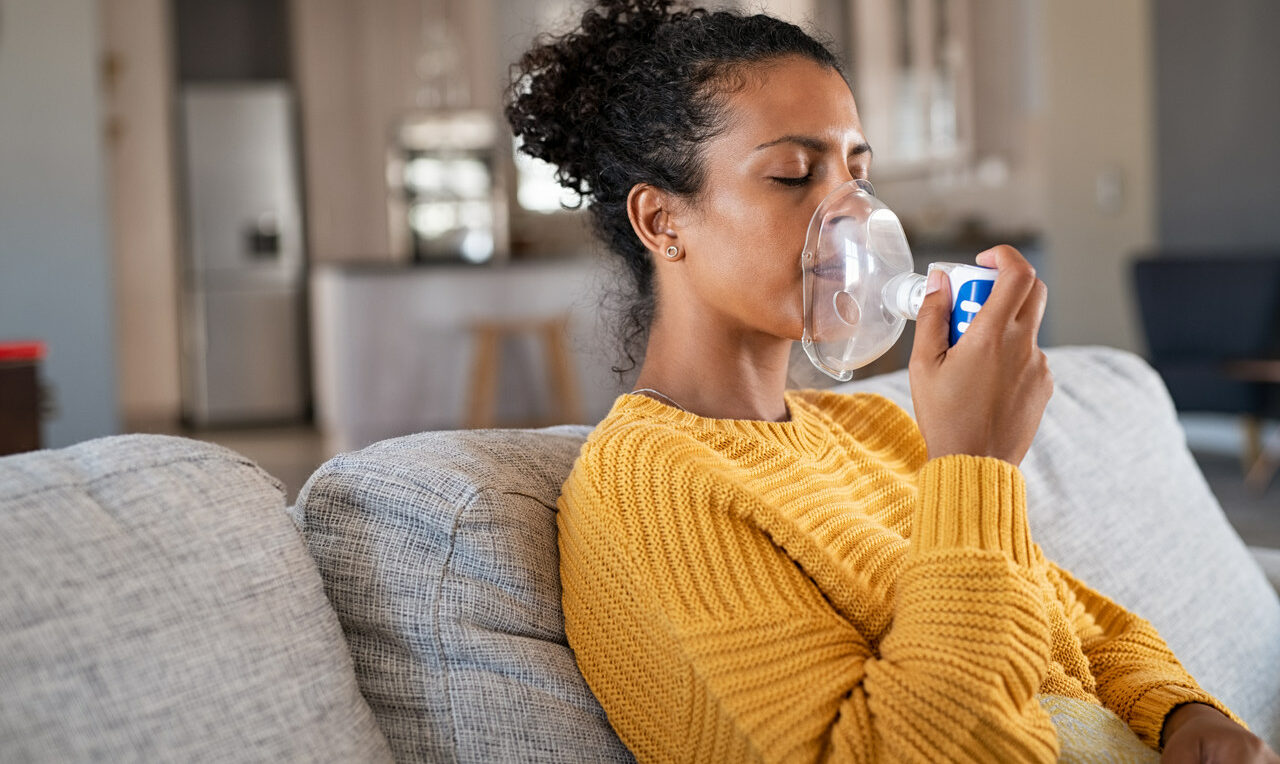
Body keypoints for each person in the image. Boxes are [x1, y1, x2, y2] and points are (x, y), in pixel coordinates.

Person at [505, 1, 1278, 761]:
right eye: (793, 174)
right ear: (661, 221)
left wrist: (1182, 714)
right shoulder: (651, 482)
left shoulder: (874, 431)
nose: (847, 213)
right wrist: (973, 464)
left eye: (858, 174)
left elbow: (1082, 629)